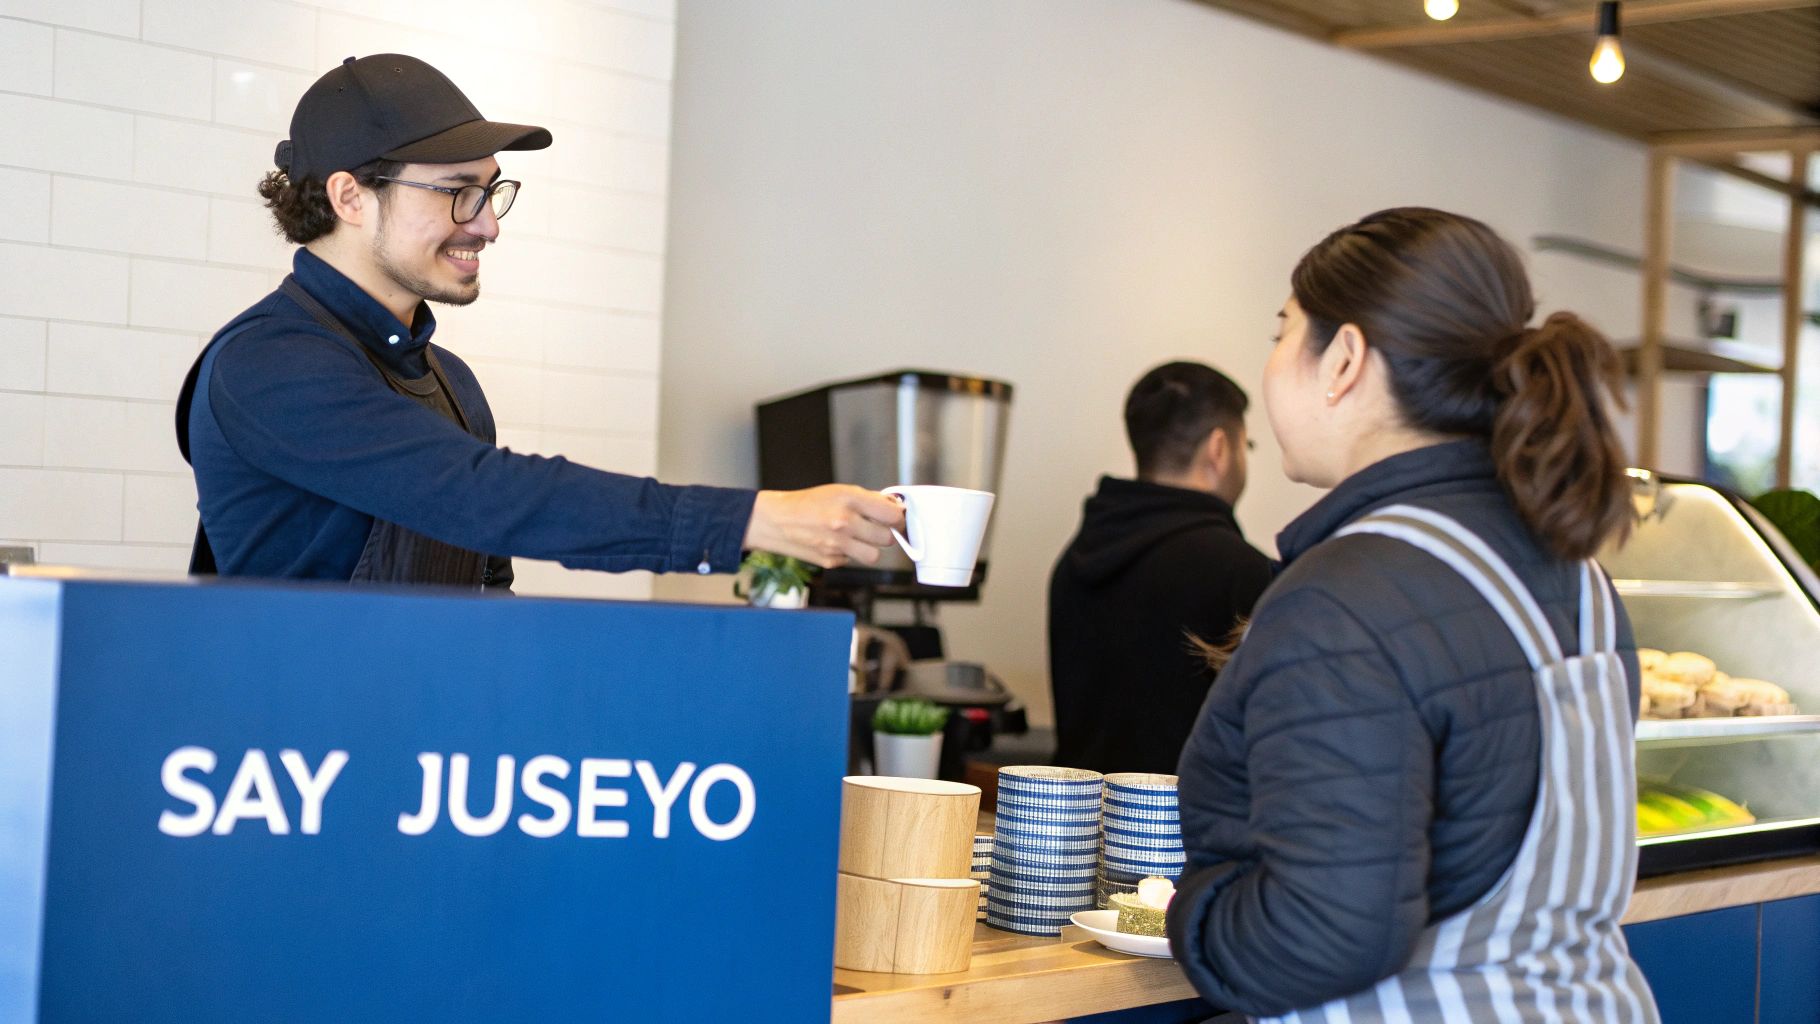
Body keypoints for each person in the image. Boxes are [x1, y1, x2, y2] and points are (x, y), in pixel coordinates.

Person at [1166, 209, 1659, 1022]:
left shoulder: (1342, 596)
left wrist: (1194, 915)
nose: (1269, 364)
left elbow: (1324, 934)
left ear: (1345, 360)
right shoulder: (1577, 574)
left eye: (1283, 331)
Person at [177, 54, 900, 587]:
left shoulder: (449, 382)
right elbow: (481, 493)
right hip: (302, 766)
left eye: (493, 193)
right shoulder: (268, 364)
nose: (488, 226)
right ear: (350, 196)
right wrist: (753, 519)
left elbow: (488, 584)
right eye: (459, 193)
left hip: (432, 759)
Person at [1047, 361, 1274, 774]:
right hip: (1181, 832)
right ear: (1219, 448)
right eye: (1247, 446)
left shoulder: (1076, 558)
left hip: (1076, 825)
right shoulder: (1242, 572)